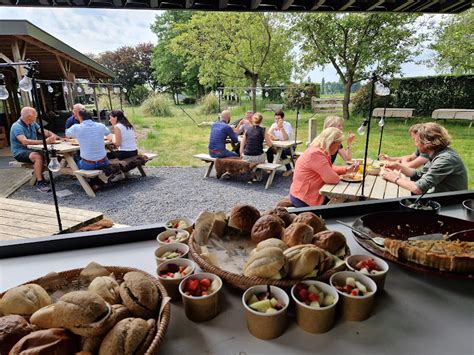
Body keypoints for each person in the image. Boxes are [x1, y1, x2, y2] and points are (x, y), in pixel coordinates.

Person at [381, 122, 467, 194]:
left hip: (449, 205)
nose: (415, 144)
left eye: (417, 141)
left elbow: (418, 189)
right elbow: (419, 174)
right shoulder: (437, 153)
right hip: (439, 198)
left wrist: (394, 178)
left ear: (427, 142)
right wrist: (397, 166)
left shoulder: (445, 160)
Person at [289, 127, 359, 207]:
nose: (338, 148)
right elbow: (333, 179)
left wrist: (346, 169)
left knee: (346, 200)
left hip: (302, 194)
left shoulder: (317, 150)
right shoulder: (316, 154)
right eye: (338, 145)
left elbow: (327, 168)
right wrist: (343, 176)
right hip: (304, 199)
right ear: (330, 143)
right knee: (347, 203)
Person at [10, 107, 58, 193]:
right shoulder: (16, 126)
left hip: (33, 149)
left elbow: (44, 131)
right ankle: (40, 182)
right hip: (20, 152)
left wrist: (57, 137)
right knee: (38, 157)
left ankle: (37, 174)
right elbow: (24, 142)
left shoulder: (32, 123)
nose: (36, 117)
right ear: (29, 116)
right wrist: (44, 142)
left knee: (52, 153)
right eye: (35, 116)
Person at [240, 112, 273, 182]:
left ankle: (252, 170)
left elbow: (242, 143)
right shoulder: (263, 130)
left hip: (246, 156)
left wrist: (241, 154)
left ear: (252, 120)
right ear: (261, 121)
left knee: (255, 155)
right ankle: (254, 166)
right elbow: (270, 145)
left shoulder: (247, 130)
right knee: (263, 154)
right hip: (257, 156)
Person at [267, 110, 293, 176]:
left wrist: (281, 128)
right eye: (276, 118)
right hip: (279, 145)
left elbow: (286, 138)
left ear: (283, 118)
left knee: (280, 151)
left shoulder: (287, 125)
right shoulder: (274, 125)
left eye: (279, 118)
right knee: (269, 150)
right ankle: (270, 167)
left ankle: (289, 169)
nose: (277, 120)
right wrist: (273, 133)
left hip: (289, 146)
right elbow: (268, 134)